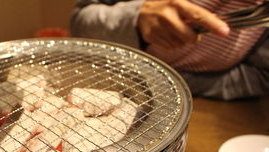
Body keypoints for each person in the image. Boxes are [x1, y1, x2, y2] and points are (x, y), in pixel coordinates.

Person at [71, 0, 269, 100]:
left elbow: (260, 76)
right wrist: (136, 19)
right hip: (97, 79)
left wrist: (166, 83)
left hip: (190, 102)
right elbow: (80, 21)